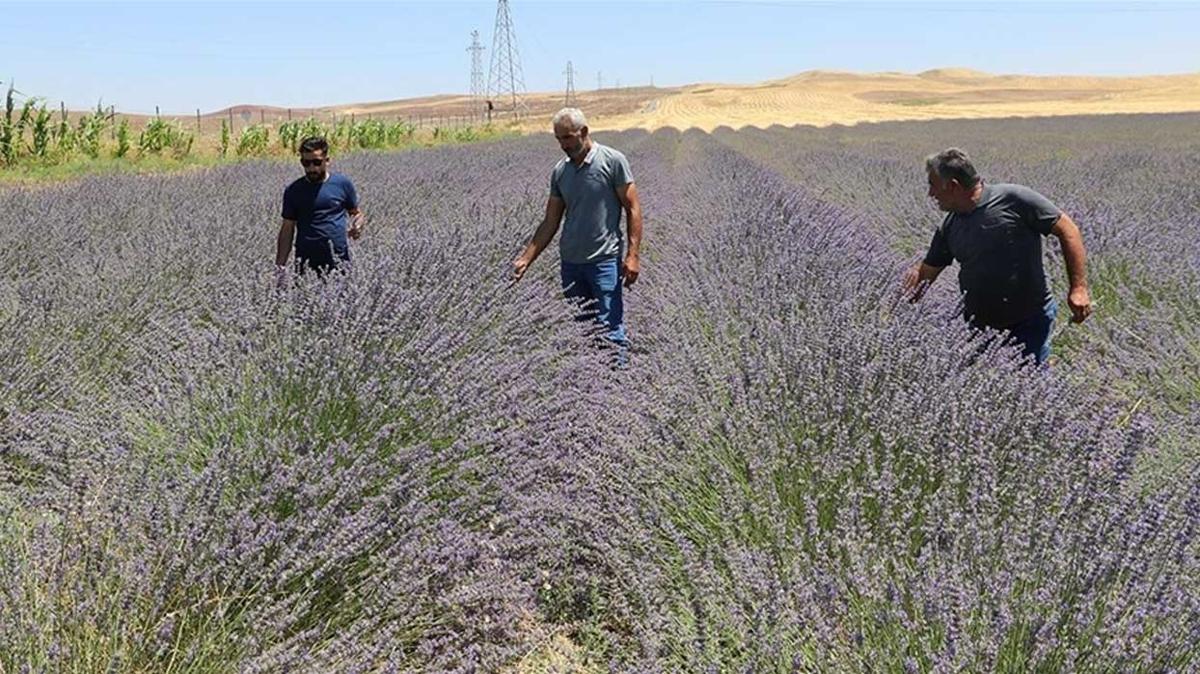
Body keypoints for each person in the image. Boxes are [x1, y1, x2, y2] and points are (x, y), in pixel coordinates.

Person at [903, 147, 1092, 365]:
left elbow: (1069, 230)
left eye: (933, 186)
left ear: (953, 186)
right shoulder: (950, 225)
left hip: (1029, 320)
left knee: (1028, 387)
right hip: (979, 326)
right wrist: (903, 300)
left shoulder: (1013, 199)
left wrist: (1078, 288)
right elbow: (928, 271)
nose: (930, 194)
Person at [511, 107, 643, 362]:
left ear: (584, 132)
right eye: (558, 139)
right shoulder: (561, 171)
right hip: (571, 263)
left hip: (604, 260)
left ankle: (617, 386)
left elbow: (633, 209)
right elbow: (550, 221)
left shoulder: (612, 161)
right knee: (582, 329)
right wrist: (526, 258)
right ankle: (591, 389)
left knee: (609, 328)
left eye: (568, 137)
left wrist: (633, 255)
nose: (563, 144)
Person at [275, 136, 365, 279]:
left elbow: (356, 212)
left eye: (317, 162)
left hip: (339, 261)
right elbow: (287, 229)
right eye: (306, 163)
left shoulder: (342, 184)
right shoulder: (293, 190)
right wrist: (280, 268)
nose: (311, 168)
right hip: (306, 265)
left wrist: (358, 225)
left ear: (327, 160)